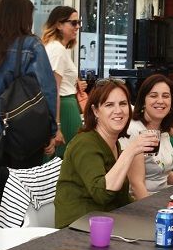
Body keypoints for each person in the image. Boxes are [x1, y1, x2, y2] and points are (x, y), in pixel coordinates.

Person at [0, 0, 57, 211]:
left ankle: (0, 228)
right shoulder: (32, 46)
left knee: (4, 187)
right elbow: (47, 91)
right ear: (22, 17)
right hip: (25, 134)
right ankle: (20, 229)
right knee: (24, 193)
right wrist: (51, 130)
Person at [54, 79, 158, 228]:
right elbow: (101, 193)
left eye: (123, 104)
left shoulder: (114, 143)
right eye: (109, 105)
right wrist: (131, 151)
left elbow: (121, 199)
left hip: (107, 222)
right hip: (76, 228)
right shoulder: (85, 143)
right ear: (95, 111)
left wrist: (150, 211)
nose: (118, 110)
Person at [120, 75, 173, 198]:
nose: (160, 101)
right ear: (143, 101)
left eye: (165, 96)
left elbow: (162, 174)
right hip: (140, 201)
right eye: (153, 96)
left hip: (162, 197)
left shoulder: (163, 131)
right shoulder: (133, 130)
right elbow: (136, 185)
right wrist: (152, 209)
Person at [42, 6, 87, 158]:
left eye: (79, 22)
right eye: (73, 23)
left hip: (65, 106)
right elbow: (53, 89)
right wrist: (57, 126)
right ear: (59, 25)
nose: (78, 26)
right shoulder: (57, 50)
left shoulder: (57, 48)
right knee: (67, 159)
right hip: (64, 109)